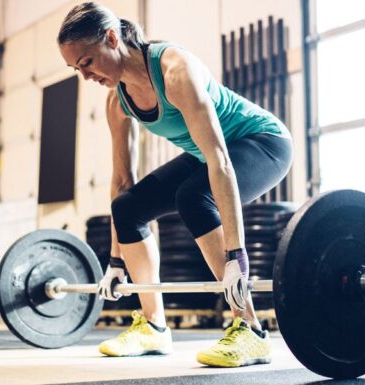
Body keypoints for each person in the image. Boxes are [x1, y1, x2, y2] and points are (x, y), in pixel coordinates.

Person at [57, 2, 292, 368]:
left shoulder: (175, 70)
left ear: (112, 38)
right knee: (127, 207)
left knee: (194, 197)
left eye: (87, 62)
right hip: (207, 154)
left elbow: (219, 160)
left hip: (263, 142)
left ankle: (250, 329)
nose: (86, 76)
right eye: (77, 69)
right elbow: (122, 180)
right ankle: (154, 327)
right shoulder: (117, 101)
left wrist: (236, 257)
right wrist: (116, 260)